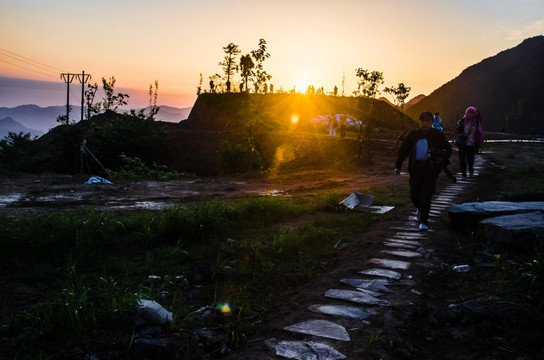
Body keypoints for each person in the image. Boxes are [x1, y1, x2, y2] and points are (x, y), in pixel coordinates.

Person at [394, 111, 452, 230]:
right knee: (414, 195)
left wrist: (441, 157)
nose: (425, 123)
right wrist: (398, 165)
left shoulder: (437, 135)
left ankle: (424, 221)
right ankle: (420, 209)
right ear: (419, 122)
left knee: (426, 194)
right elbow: (404, 150)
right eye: (422, 121)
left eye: (427, 121)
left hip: (430, 169)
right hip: (415, 169)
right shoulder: (413, 135)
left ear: (432, 122)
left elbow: (448, 149)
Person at [454, 106, 484, 178]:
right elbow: (457, 131)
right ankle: (463, 174)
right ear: (466, 113)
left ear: (474, 114)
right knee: (462, 160)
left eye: (472, 113)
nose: (470, 114)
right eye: (469, 113)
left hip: (472, 144)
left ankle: (471, 170)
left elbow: (480, 132)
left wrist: (479, 142)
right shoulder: (462, 121)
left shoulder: (476, 123)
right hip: (462, 144)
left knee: (470, 159)